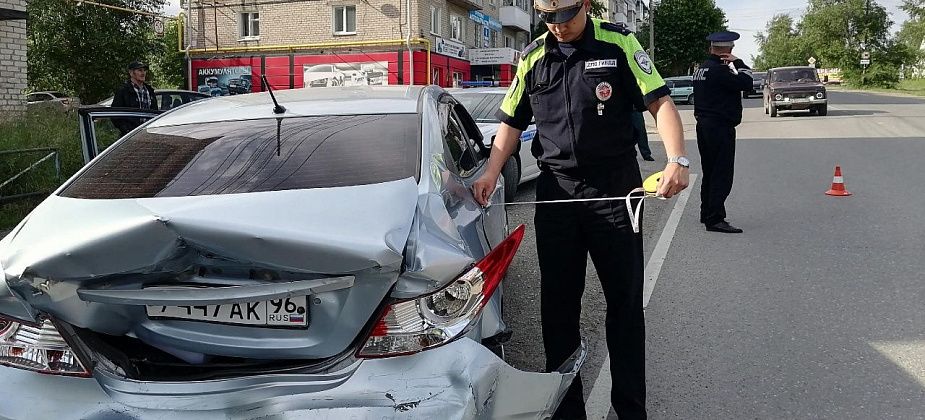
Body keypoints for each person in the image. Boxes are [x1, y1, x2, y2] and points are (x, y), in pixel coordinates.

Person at [471, 0, 689, 418]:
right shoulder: (533, 56)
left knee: (624, 305)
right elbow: (511, 122)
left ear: (585, 5)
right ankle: (567, 410)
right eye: (547, 16)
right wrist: (490, 173)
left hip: (614, 191)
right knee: (558, 309)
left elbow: (660, 103)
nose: (557, 25)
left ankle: (629, 409)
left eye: (565, 15)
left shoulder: (620, 42)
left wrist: (675, 159)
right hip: (557, 195)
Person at [692, 31, 753, 234]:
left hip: (704, 126)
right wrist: (740, 62)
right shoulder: (719, 70)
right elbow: (747, 83)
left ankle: (706, 212)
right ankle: (715, 218)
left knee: (709, 172)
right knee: (721, 174)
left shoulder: (702, 69)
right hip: (719, 128)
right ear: (728, 50)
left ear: (711, 48)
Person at [112, 60, 158, 136]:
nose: (143, 73)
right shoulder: (123, 91)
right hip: (130, 135)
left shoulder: (149, 91)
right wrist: (127, 130)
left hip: (148, 133)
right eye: (139, 70)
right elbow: (115, 115)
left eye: (144, 70)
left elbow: (155, 112)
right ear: (131, 73)